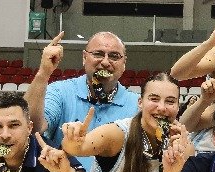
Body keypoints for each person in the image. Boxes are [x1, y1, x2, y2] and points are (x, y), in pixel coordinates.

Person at [25, 31, 139, 162]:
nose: (106, 62)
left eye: (114, 56)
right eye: (98, 54)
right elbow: (31, 127)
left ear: (124, 63)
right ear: (84, 58)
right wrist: (44, 73)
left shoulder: (137, 105)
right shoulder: (60, 91)